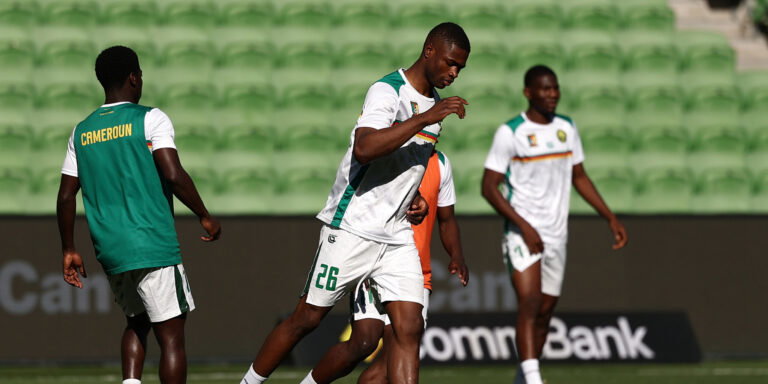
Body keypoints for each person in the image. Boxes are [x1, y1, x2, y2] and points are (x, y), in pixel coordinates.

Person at [240, 22, 470, 384]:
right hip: (353, 227)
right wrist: (424, 118)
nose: (454, 72)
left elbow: (405, 166)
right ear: (429, 50)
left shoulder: (434, 107)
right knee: (307, 319)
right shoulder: (388, 91)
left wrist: (415, 199)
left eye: (460, 67)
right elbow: (365, 148)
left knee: (409, 327)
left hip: (396, 236)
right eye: (450, 62)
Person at [56, 45, 221, 384]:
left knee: (137, 322)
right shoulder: (150, 118)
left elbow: (66, 195)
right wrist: (204, 214)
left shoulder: (81, 131)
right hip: (151, 243)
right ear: (134, 77)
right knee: (171, 337)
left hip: (111, 248)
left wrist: (69, 248)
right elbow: (173, 173)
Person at [480, 65, 628, 384]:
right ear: (528, 92)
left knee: (545, 312)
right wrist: (523, 225)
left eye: (555, 88)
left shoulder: (566, 128)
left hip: (556, 234)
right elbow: (488, 187)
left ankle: (523, 376)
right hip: (522, 233)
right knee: (530, 302)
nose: (552, 94)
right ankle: (534, 379)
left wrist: (609, 216)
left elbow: (579, 176)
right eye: (545, 89)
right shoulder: (511, 132)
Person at [300, 149, 469, 384]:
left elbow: (447, 219)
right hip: (373, 261)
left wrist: (457, 255)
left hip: (415, 272)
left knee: (391, 360)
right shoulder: (387, 154)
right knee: (364, 342)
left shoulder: (440, 163)